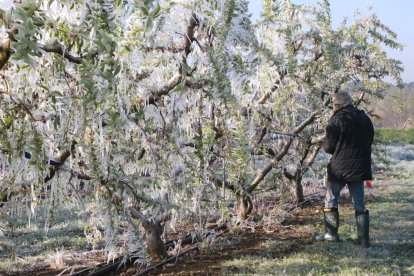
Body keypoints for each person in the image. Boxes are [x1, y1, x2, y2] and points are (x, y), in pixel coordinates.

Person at [320, 91, 374, 247]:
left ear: (337, 105)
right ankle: (363, 240)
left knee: (331, 200)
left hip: (339, 168)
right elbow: (369, 140)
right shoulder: (364, 118)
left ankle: (331, 235)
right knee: (359, 203)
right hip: (359, 168)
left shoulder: (336, 119)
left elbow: (328, 147)